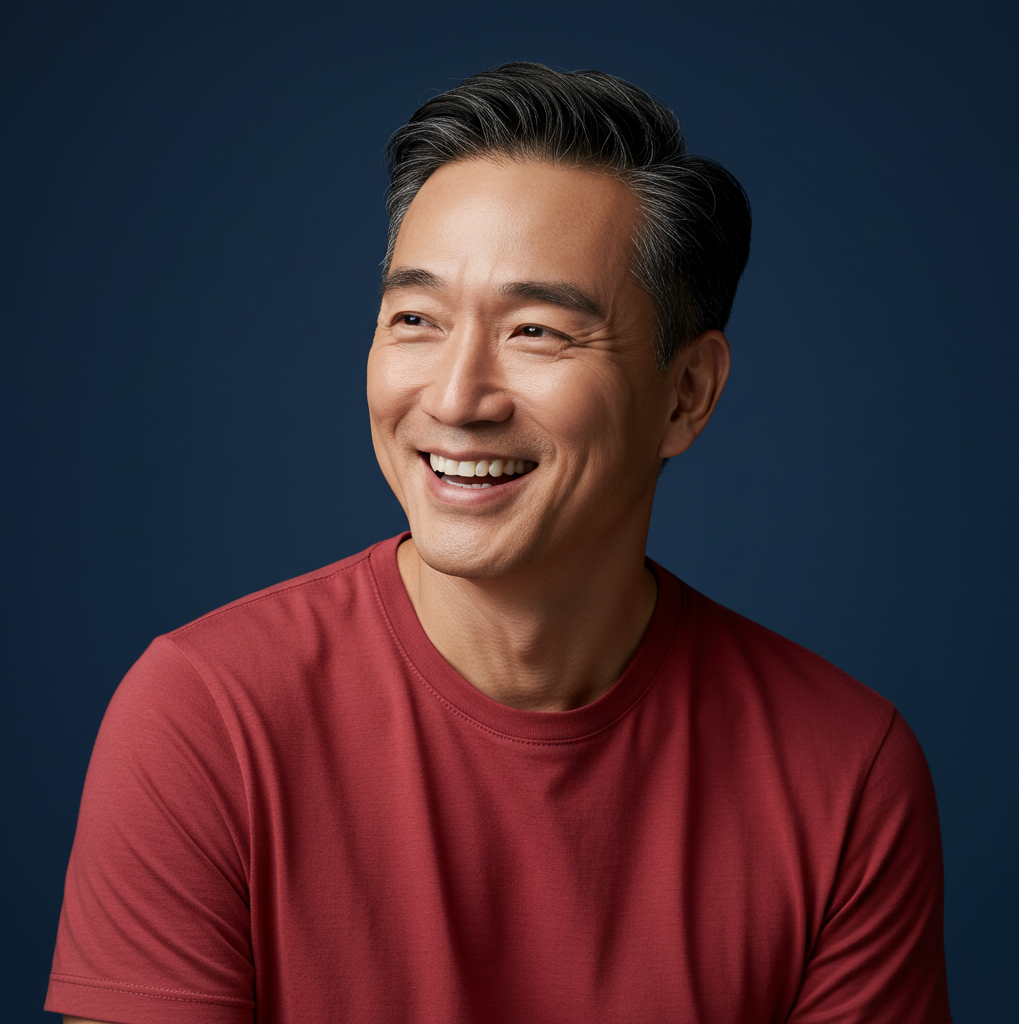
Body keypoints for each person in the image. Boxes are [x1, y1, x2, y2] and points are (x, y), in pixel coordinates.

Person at [47, 62, 951, 1024]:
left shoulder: (846, 772)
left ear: (685, 395)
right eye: (417, 320)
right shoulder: (205, 718)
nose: (453, 398)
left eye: (537, 331)